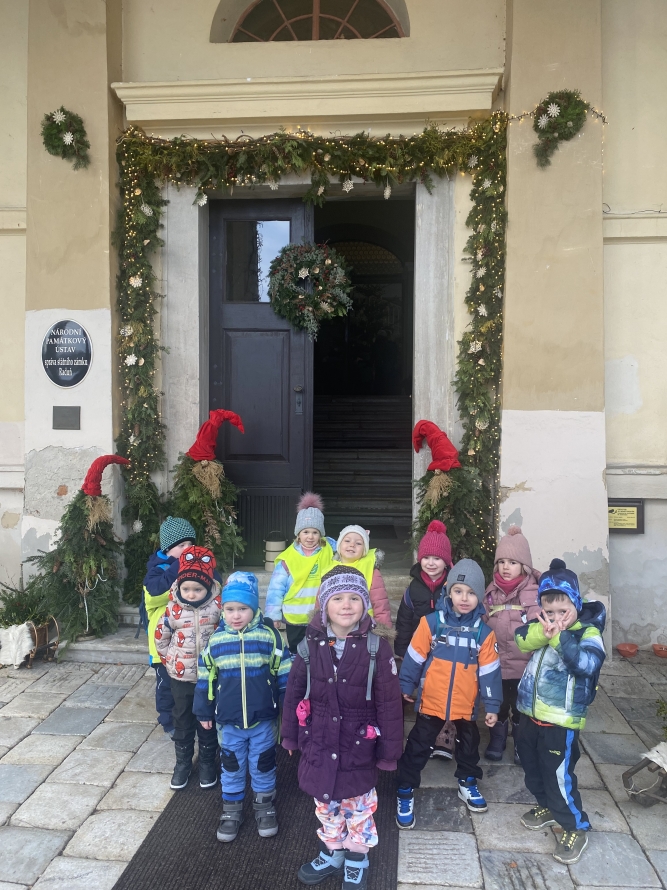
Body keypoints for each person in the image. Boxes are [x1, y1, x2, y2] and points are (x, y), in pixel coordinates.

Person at [282, 566, 403, 890]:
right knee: (326, 806)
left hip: (357, 746)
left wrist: (389, 752)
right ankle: (333, 850)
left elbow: (389, 704)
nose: (346, 605)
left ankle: (357, 857)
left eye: (354, 598)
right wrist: (290, 735)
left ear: (365, 604)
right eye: (337, 598)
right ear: (324, 605)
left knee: (359, 809)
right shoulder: (308, 647)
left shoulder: (377, 648)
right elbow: (294, 693)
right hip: (319, 742)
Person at [396, 559, 501, 827]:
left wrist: (492, 705)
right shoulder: (431, 623)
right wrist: (405, 685)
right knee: (418, 745)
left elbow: (490, 673)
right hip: (431, 702)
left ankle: (467, 780)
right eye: (458, 591)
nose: (464, 598)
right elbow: (414, 658)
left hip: (465, 705)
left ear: (480, 596)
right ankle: (405, 787)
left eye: (471, 593)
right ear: (448, 592)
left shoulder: (484, 634)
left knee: (469, 747)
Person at [515, 558, 606, 865]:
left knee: (557, 776)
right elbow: (521, 639)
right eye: (549, 612)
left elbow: (586, 665)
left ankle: (574, 826)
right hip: (530, 714)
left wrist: (558, 637)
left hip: (560, 721)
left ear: (576, 605)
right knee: (532, 768)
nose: (555, 618)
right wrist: (545, 632)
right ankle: (547, 806)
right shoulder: (541, 629)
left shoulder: (588, 634)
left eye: (562, 611)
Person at [194, 571, 292, 843]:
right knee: (232, 765)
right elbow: (205, 677)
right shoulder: (216, 641)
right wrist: (203, 710)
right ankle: (232, 807)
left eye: (243, 609)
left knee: (263, 763)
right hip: (229, 721)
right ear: (222, 610)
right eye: (230, 609)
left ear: (254, 608)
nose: (236, 615)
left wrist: (287, 708)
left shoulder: (269, 637)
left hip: (263, 719)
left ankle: (264, 805)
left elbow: (285, 672)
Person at [154, 546, 221, 791]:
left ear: (208, 587)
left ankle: (206, 762)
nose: (191, 594)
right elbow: (161, 637)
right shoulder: (172, 610)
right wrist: (170, 661)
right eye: (186, 589)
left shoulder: (218, 607)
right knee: (182, 720)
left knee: (208, 721)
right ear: (179, 587)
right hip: (181, 678)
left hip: (210, 678)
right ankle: (182, 763)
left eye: (197, 589)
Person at [394, 520, 456, 759]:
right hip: (418, 647)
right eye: (426, 557)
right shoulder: (413, 589)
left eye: (437, 558)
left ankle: (444, 733)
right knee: (420, 686)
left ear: (446, 561)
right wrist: (402, 648)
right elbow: (404, 620)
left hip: (445, 650)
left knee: (444, 688)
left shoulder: (452, 587)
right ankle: (420, 730)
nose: (431, 563)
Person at [482, 526, 541, 763]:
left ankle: (520, 742)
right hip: (495, 662)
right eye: (502, 562)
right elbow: (483, 619)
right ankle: (497, 739)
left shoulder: (533, 593)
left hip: (522, 665)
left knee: (520, 706)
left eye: (513, 562)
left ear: (524, 566)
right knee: (497, 702)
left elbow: (539, 626)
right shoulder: (491, 592)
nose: (506, 567)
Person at [143, 516, 197, 736]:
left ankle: (189, 718)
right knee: (166, 686)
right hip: (163, 644)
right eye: (181, 545)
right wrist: (179, 568)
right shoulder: (157, 569)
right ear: (167, 548)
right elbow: (154, 593)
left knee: (187, 684)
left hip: (187, 643)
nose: (187, 549)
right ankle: (168, 721)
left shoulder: (195, 564)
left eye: (190, 544)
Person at [265, 492, 335, 653]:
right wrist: (273, 616)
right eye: (305, 532)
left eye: (315, 532)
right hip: (295, 615)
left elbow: (348, 548)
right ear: (298, 533)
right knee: (297, 651)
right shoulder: (288, 558)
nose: (310, 537)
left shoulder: (329, 550)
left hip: (321, 615)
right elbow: (276, 589)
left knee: (321, 650)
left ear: (321, 534)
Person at [326, 525, 392, 627]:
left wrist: (384, 630)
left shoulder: (371, 570)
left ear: (364, 550)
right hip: (335, 626)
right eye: (347, 541)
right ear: (339, 545)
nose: (352, 545)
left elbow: (380, 603)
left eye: (358, 543)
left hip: (364, 625)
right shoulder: (329, 569)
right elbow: (321, 600)